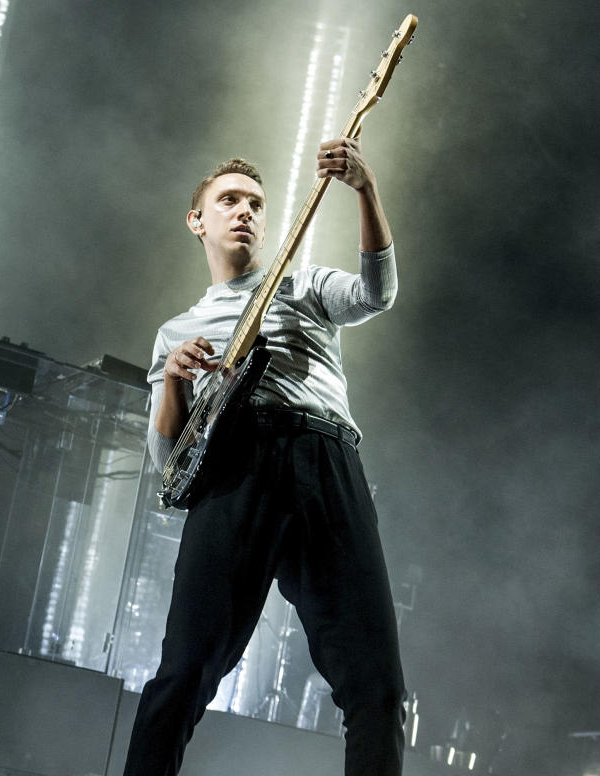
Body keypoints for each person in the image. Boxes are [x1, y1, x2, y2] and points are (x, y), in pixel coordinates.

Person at [122, 139, 406, 776]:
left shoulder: (303, 286)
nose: (244, 211)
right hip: (236, 469)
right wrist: (171, 380)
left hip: (325, 457)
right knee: (185, 671)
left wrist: (365, 189)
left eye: (255, 203)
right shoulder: (177, 330)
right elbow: (167, 463)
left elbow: (377, 293)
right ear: (198, 220)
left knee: (377, 684)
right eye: (228, 201)